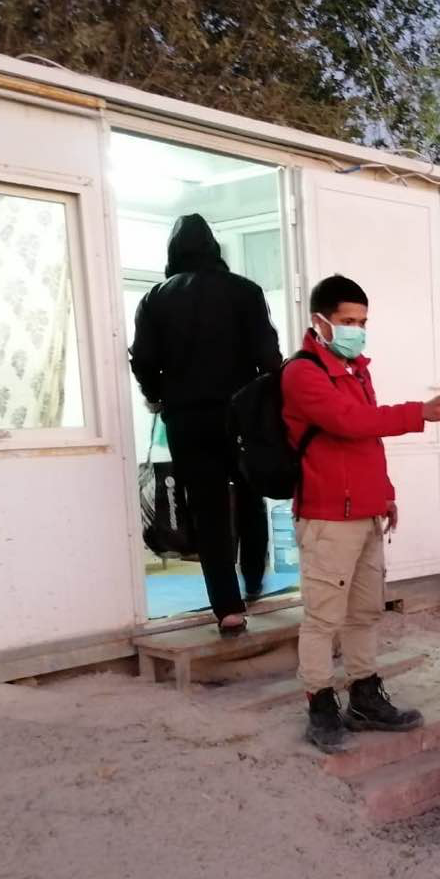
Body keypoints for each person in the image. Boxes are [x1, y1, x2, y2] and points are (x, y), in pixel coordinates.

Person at [282, 274, 440, 752]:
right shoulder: (302, 373)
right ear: (320, 321)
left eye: (363, 322)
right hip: (327, 517)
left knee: (363, 612)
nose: (357, 330)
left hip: (363, 513)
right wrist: (418, 412)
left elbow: (367, 442)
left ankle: (364, 697)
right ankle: (320, 704)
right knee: (323, 618)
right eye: (348, 321)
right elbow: (350, 422)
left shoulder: (356, 369)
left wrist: (385, 493)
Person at [130, 213, 281, 634]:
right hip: (241, 414)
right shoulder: (246, 291)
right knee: (251, 491)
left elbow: (143, 359)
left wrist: (156, 394)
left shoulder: (155, 299)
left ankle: (229, 609)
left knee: (208, 507)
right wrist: (267, 402)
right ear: (215, 249)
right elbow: (269, 356)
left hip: (188, 419)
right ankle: (254, 577)